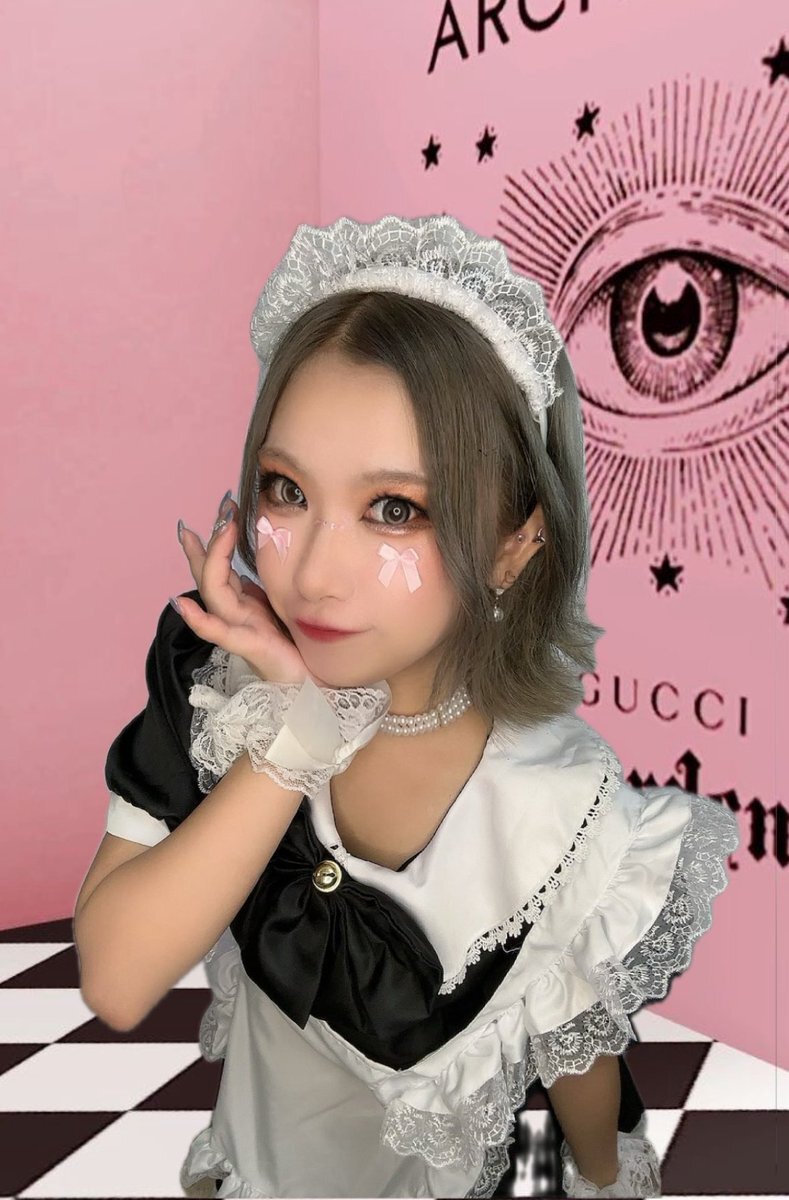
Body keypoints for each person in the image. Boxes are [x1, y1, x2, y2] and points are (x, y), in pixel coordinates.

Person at [74, 215, 740, 1199]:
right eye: (285, 490)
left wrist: (606, 1179)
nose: (313, 570)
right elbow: (117, 980)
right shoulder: (218, 684)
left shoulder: (560, 804)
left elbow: (576, 1048)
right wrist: (297, 739)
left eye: (395, 509)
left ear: (514, 546)